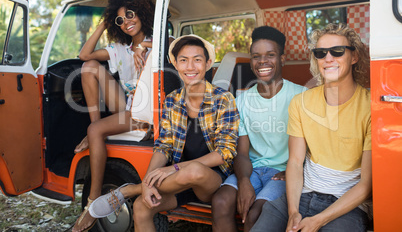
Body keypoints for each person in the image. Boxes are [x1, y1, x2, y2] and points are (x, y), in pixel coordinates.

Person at [87, 35, 240, 231]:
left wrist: (173, 169)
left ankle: (130, 190)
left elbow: (224, 153)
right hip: (179, 182)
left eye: (197, 60)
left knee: (193, 171)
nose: (190, 67)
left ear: (208, 63)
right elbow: (164, 145)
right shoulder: (172, 100)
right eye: (183, 60)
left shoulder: (223, 99)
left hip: (212, 181)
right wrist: (150, 180)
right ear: (175, 64)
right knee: (142, 207)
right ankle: (140, 189)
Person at [251, 23, 371, 232]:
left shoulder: (371, 107)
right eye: (321, 53)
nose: (328, 58)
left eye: (337, 51)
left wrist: (319, 220)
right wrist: (293, 212)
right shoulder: (301, 102)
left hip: (346, 205)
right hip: (302, 195)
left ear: (354, 57)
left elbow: (366, 185)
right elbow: (296, 163)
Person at [72, 0, 155, 232]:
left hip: (147, 111)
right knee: (89, 67)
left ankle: (92, 203)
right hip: (129, 105)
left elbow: (172, 43)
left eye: (130, 14)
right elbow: (84, 55)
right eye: (119, 20)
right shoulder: (121, 48)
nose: (126, 21)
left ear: (141, 13)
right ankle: (93, 132)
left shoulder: (157, 39)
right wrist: (103, 23)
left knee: (96, 130)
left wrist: (145, 47)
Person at [211, 26, 305, 232]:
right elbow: (242, 152)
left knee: (257, 213)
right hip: (251, 169)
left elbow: (312, 147)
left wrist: (292, 170)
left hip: (284, 172)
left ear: (282, 59)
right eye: (256, 56)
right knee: (220, 202)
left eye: (270, 55)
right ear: (251, 61)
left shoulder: (302, 96)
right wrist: (244, 181)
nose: (263, 61)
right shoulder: (242, 100)